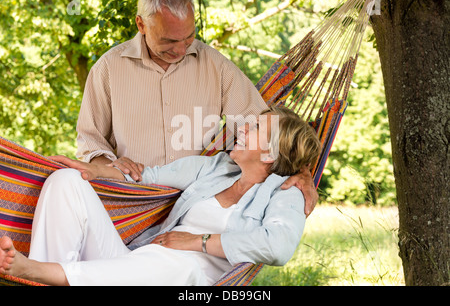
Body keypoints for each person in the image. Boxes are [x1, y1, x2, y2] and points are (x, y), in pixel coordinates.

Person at [0, 106, 321, 286]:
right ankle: (48, 274)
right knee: (66, 180)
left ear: (268, 153)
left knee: (184, 267)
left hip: (189, 278)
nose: (241, 129)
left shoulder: (286, 195)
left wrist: (195, 242)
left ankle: (36, 271)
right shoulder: (215, 168)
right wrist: (95, 171)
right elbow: (146, 177)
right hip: (135, 264)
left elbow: (278, 247)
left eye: (253, 129)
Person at [76, 0, 319, 216]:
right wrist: (111, 165)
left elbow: (268, 132)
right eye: (169, 41)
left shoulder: (216, 66)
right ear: (141, 24)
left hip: (198, 205)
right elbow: (90, 140)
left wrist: (303, 172)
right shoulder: (108, 69)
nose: (181, 50)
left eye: (189, 37)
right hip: (130, 203)